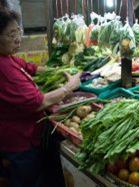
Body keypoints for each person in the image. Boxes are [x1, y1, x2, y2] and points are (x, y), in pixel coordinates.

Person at [0, 10, 81, 187]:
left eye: (18, 32)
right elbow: (39, 102)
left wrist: (58, 70)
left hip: (18, 137)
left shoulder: (7, 58)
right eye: (11, 34)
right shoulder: (4, 69)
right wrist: (69, 87)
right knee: (26, 181)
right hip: (20, 143)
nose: (18, 38)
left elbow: (29, 67)